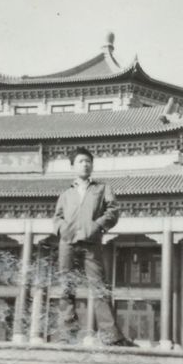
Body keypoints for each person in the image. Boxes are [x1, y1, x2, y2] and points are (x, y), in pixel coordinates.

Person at [53, 147, 135, 347]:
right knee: (66, 288)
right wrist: (63, 230)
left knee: (99, 287)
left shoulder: (102, 188)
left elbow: (113, 211)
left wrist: (97, 226)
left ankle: (110, 335)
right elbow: (57, 217)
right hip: (68, 244)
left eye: (88, 161)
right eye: (81, 161)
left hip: (91, 243)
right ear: (73, 166)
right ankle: (67, 334)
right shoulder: (66, 194)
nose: (85, 164)